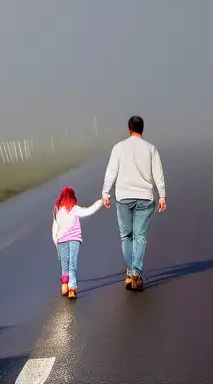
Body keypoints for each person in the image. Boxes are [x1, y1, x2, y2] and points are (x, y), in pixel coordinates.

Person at [101, 115, 166, 291]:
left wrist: (105, 193)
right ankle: (136, 273)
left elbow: (111, 172)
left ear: (129, 128)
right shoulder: (151, 149)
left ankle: (131, 272)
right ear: (142, 129)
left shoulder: (119, 148)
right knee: (140, 236)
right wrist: (162, 196)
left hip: (123, 198)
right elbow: (157, 173)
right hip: (145, 197)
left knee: (126, 236)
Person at [51, 185, 103, 299]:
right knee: (72, 264)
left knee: (64, 264)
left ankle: (65, 286)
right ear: (73, 197)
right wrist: (100, 202)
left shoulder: (56, 209)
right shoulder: (74, 208)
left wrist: (56, 242)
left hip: (62, 240)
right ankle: (72, 289)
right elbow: (88, 211)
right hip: (74, 239)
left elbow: (54, 228)